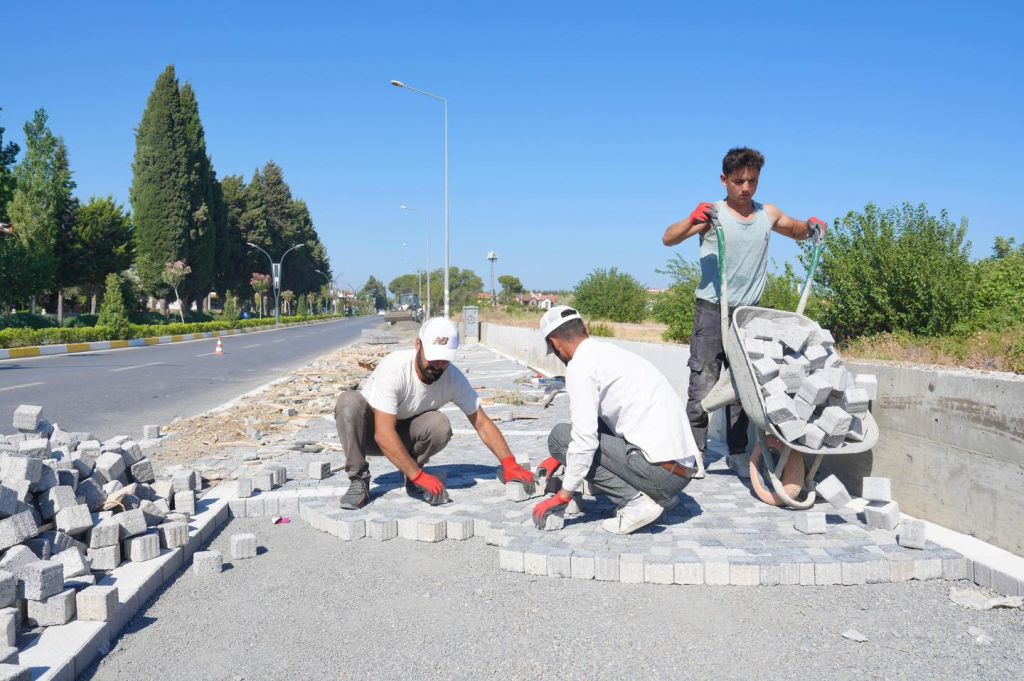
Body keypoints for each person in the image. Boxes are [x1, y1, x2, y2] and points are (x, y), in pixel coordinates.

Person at [661, 147, 826, 475]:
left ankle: (738, 452)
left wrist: (811, 227)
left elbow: (794, 229)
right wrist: (691, 219)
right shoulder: (713, 214)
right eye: (738, 181)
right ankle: (695, 453)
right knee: (704, 381)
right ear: (724, 180)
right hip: (711, 310)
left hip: (749, 315)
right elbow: (669, 238)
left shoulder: (769, 214)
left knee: (742, 386)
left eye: (752, 180)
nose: (746, 188)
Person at [531, 306, 701, 535]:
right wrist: (564, 461)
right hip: (682, 471)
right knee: (593, 425)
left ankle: (635, 504)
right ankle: (653, 495)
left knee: (560, 437)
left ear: (555, 343)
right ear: (585, 330)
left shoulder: (580, 366)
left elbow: (583, 440)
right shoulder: (612, 355)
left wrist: (563, 494)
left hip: (662, 476)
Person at [335, 317, 536, 509]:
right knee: (349, 402)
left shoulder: (452, 378)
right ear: (418, 345)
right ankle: (359, 479)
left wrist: (509, 463)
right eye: (433, 358)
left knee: (439, 424)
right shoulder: (394, 368)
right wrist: (420, 477)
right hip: (369, 434)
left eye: (444, 360)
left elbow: (482, 422)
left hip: (404, 436)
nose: (438, 366)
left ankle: (411, 471)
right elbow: (383, 434)